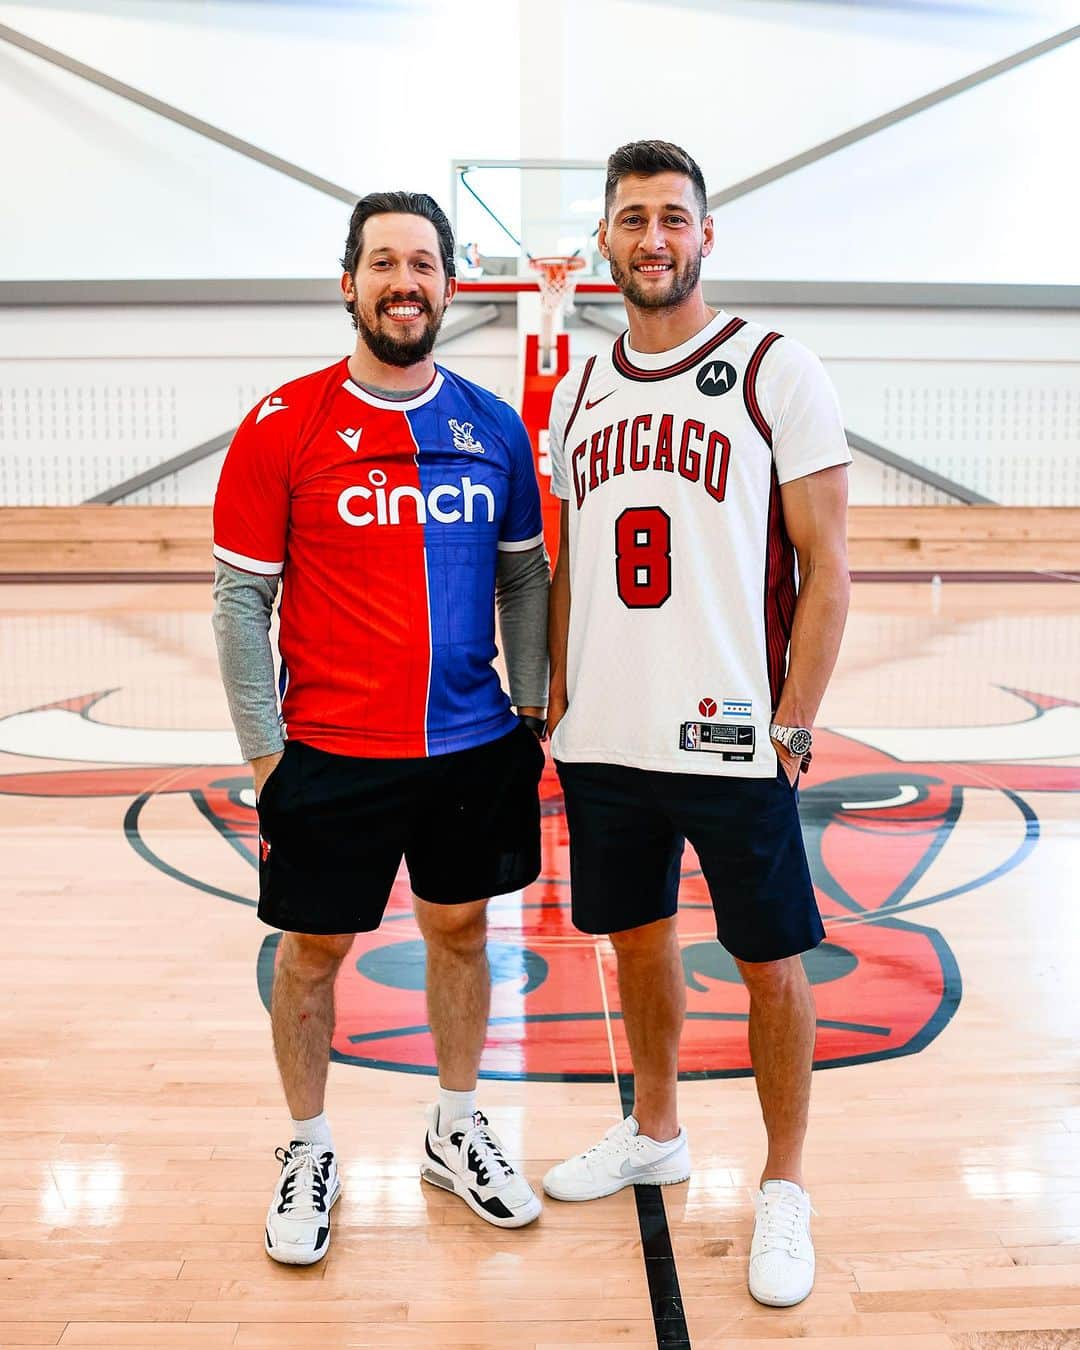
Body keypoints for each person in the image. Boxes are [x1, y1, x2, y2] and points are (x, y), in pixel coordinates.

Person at [211, 190, 549, 1265]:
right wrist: (266, 755)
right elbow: (238, 600)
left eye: (424, 262)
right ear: (347, 282)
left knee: (461, 933)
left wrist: (529, 708)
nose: (405, 280)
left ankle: (455, 1126)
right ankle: (308, 1147)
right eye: (383, 262)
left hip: (468, 748)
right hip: (327, 756)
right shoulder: (283, 424)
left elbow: (526, 578)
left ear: (451, 284)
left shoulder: (494, 426)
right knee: (313, 952)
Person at [543, 141, 851, 1309]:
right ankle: (657, 1131)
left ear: (706, 235)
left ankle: (784, 1183)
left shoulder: (777, 368)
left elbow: (829, 568)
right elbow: (570, 559)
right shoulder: (578, 390)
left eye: (674, 216)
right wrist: (561, 694)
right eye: (633, 218)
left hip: (733, 737)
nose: (654, 237)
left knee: (772, 961)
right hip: (609, 738)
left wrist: (796, 721)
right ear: (607, 243)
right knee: (637, 941)